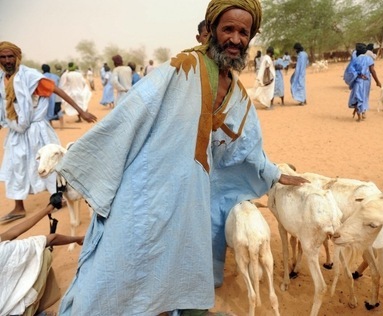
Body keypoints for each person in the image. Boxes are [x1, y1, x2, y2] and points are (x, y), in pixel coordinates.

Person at [55, 1, 308, 314]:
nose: (235, 38)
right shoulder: (183, 66)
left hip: (191, 196)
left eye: (243, 32)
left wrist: (272, 173)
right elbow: (134, 110)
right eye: (228, 29)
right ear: (212, 30)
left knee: (180, 264)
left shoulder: (239, 95)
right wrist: (89, 158)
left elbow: (246, 147)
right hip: (148, 188)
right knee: (122, 264)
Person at [0, 41, 97, 224]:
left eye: (10, 56)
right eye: (3, 57)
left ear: (17, 57)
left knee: (51, 164)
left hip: (37, 130)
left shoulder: (30, 77)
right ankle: (18, 207)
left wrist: (81, 111)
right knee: (15, 167)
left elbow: (56, 90)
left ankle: (57, 197)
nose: (7, 60)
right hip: (16, 131)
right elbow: (4, 106)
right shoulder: (1, 79)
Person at [0, 193, 84, 316]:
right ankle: (34, 311)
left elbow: (13, 232)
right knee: (42, 254)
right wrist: (78, 238)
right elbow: (52, 239)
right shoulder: (5, 252)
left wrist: (49, 209)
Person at [345, 43, 382, 122]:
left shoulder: (355, 60)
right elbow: (372, 71)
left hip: (358, 81)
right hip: (367, 81)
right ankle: (364, 112)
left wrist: (356, 76)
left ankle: (359, 117)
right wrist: (377, 81)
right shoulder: (369, 59)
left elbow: (349, 71)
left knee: (357, 97)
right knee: (365, 96)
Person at [41, 64, 64, 128]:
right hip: (57, 97)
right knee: (59, 110)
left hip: (47, 98)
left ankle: (51, 126)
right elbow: (60, 87)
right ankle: (62, 126)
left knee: (47, 112)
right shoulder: (56, 76)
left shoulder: (41, 77)